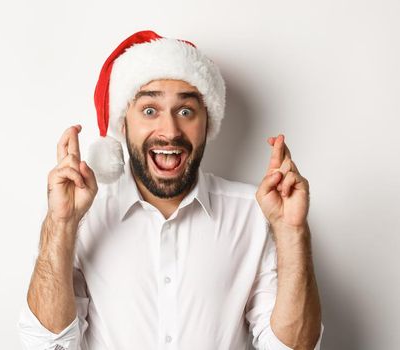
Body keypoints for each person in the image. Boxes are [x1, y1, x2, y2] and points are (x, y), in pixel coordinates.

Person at [17, 30, 324, 349]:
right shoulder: (81, 213)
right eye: (150, 110)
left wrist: (292, 232)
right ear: (123, 124)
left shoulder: (256, 213)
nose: (170, 131)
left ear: (208, 123)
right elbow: (44, 346)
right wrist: (62, 224)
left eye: (186, 111)